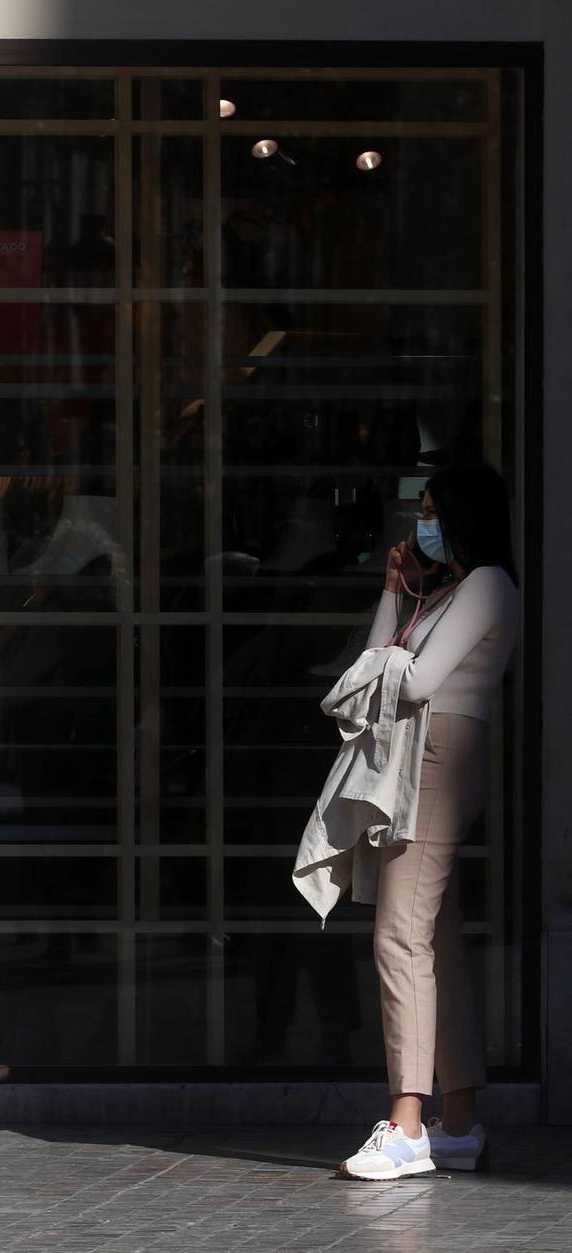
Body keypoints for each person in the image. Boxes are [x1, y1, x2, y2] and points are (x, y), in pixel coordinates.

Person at [337, 465, 518, 1182]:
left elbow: (409, 680)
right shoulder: (446, 589)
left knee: (399, 933)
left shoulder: (487, 584)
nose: (423, 524)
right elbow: (370, 666)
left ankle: (408, 1122)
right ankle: (461, 1120)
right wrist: (393, 591)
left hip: (442, 753)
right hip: (429, 752)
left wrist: (398, 653)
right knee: (434, 934)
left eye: (437, 511)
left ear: (467, 516)